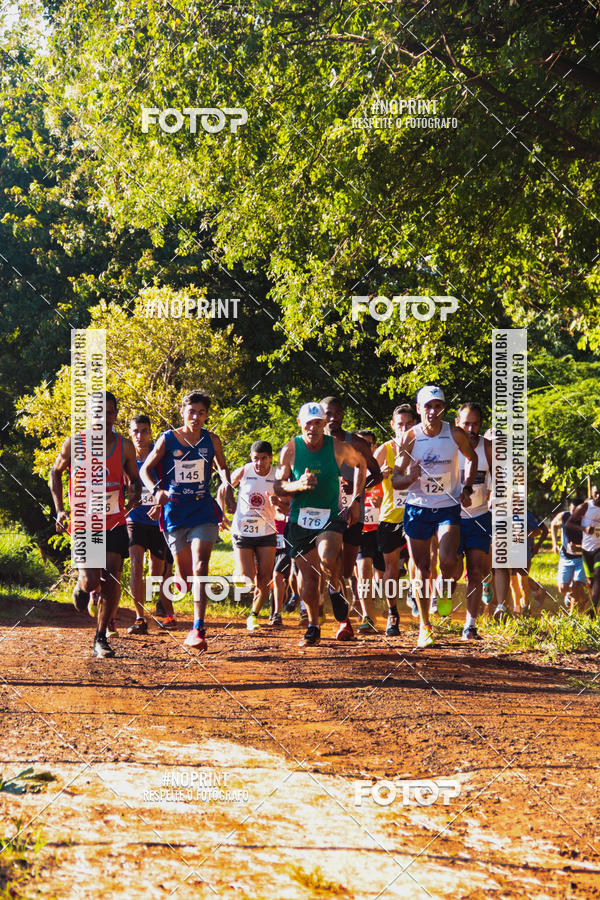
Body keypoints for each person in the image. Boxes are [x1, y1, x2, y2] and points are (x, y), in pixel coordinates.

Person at [139, 390, 235, 652]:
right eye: (192, 412)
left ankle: (198, 627)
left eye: (202, 413)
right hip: (175, 513)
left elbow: (223, 467)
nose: (196, 417)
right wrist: (156, 491)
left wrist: (226, 483)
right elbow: (145, 469)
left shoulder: (211, 440)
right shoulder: (168, 439)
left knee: (201, 563)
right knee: (184, 579)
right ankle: (183, 605)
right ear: (182, 411)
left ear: (206, 415)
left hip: (203, 509)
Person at [50, 391, 141, 658]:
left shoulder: (124, 446)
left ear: (115, 414)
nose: (104, 417)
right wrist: (60, 510)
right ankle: (83, 587)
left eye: (110, 412)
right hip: (84, 520)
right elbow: (56, 472)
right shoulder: (74, 443)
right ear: (90, 414)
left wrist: (134, 492)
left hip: (113, 518)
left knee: (113, 575)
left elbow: (134, 478)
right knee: (92, 580)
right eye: (98, 412)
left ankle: (100, 637)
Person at [274, 402, 367, 647]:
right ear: (300, 423)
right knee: (307, 579)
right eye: (308, 423)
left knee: (327, 557)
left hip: (331, 516)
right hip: (299, 521)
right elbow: (277, 485)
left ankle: (335, 589)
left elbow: (361, 465)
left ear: (324, 424)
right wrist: (298, 485)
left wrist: (356, 498)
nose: (313, 428)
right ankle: (314, 626)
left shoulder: (337, 447)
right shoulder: (290, 450)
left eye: (317, 423)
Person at [392, 385, 478, 648]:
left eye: (437, 406)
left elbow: (472, 458)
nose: (432, 411)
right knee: (421, 568)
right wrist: (412, 477)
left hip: (447, 506)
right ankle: (425, 625)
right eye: (427, 406)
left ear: (443, 408)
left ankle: (444, 586)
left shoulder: (454, 434)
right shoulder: (410, 438)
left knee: (449, 560)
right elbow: (396, 480)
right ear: (419, 410)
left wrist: (466, 487)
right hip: (418, 508)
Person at [321, 397, 382, 588]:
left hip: (353, 512)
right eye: (328, 413)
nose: (332, 418)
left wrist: (358, 489)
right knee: (329, 559)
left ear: (342, 415)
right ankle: (332, 601)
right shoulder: (312, 444)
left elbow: (377, 474)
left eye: (337, 413)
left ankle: (338, 588)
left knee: (347, 568)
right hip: (324, 512)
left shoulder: (356, 443)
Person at [126, 415, 176, 635]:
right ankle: (139, 617)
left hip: (158, 521)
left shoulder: (159, 456)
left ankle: (162, 608)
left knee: (158, 570)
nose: (140, 436)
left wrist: (161, 505)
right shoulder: (124, 457)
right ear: (130, 433)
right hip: (134, 519)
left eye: (144, 431)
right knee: (136, 563)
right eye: (136, 431)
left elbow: (171, 484)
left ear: (150, 432)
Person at [374, 404, 417, 635]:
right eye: (400, 424)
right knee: (391, 569)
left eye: (409, 424)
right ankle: (393, 613)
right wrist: (379, 475)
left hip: (419, 513)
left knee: (420, 563)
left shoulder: (423, 446)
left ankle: (415, 593)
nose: (404, 428)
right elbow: (366, 479)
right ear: (392, 425)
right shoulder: (385, 449)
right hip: (390, 517)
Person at [228, 441, 278, 632]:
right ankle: (241, 569)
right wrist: (224, 507)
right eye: (256, 458)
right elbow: (224, 486)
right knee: (246, 580)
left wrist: (278, 501)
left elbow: (288, 500)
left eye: (263, 458)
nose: (259, 463)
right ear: (251, 458)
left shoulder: (277, 475)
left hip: (266, 531)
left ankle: (253, 615)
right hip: (243, 531)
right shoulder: (244, 471)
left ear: (270, 458)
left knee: (264, 578)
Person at [454, 403, 492, 640]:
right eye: (466, 423)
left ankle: (470, 625)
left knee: (476, 571)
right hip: (451, 516)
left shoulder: (488, 447)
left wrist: (496, 496)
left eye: (475, 423)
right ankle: (442, 588)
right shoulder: (450, 445)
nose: (470, 428)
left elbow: (502, 476)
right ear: (457, 422)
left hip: (479, 515)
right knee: (453, 569)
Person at [354, 430, 385, 633]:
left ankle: (389, 610)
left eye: (368, 444)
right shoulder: (349, 470)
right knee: (363, 570)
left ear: (374, 447)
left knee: (381, 578)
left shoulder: (384, 471)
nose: (364, 448)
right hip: (362, 529)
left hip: (384, 528)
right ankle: (368, 616)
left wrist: (381, 504)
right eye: (360, 445)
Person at [551, 499, 588, 614]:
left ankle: (573, 615)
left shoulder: (588, 520)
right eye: (572, 511)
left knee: (576, 585)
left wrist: (579, 547)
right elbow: (553, 524)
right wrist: (554, 543)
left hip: (582, 558)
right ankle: (583, 598)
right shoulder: (564, 516)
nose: (575, 515)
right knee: (562, 588)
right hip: (565, 557)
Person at [567, 493, 600, 615]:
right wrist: (584, 529)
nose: (598, 496)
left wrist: (596, 532)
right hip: (587, 550)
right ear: (593, 493)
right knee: (591, 582)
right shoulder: (586, 507)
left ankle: (593, 608)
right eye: (596, 493)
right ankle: (594, 605)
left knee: (598, 575)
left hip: (599, 550)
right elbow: (569, 523)